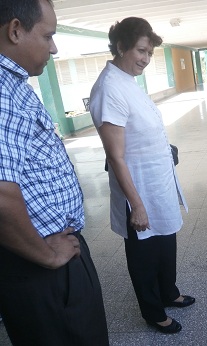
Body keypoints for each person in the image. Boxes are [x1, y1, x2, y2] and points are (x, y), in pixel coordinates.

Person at [0, 0, 109, 344]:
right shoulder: (2, 92)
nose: (54, 47)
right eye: (48, 36)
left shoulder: (13, 86)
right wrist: (47, 255)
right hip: (38, 260)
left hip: (49, 250)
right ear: (15, 30)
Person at [90, 17, 194, 334]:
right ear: (121, 46)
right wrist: (136, 204)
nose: (146, 59)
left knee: (165, 243)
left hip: (156, 181)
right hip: (138, 188)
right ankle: (152, 311)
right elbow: (116, 155)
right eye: (140, 51)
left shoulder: (127, 81)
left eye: (149, 53)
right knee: (144, 254)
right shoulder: (110, 88)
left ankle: (168, 292)